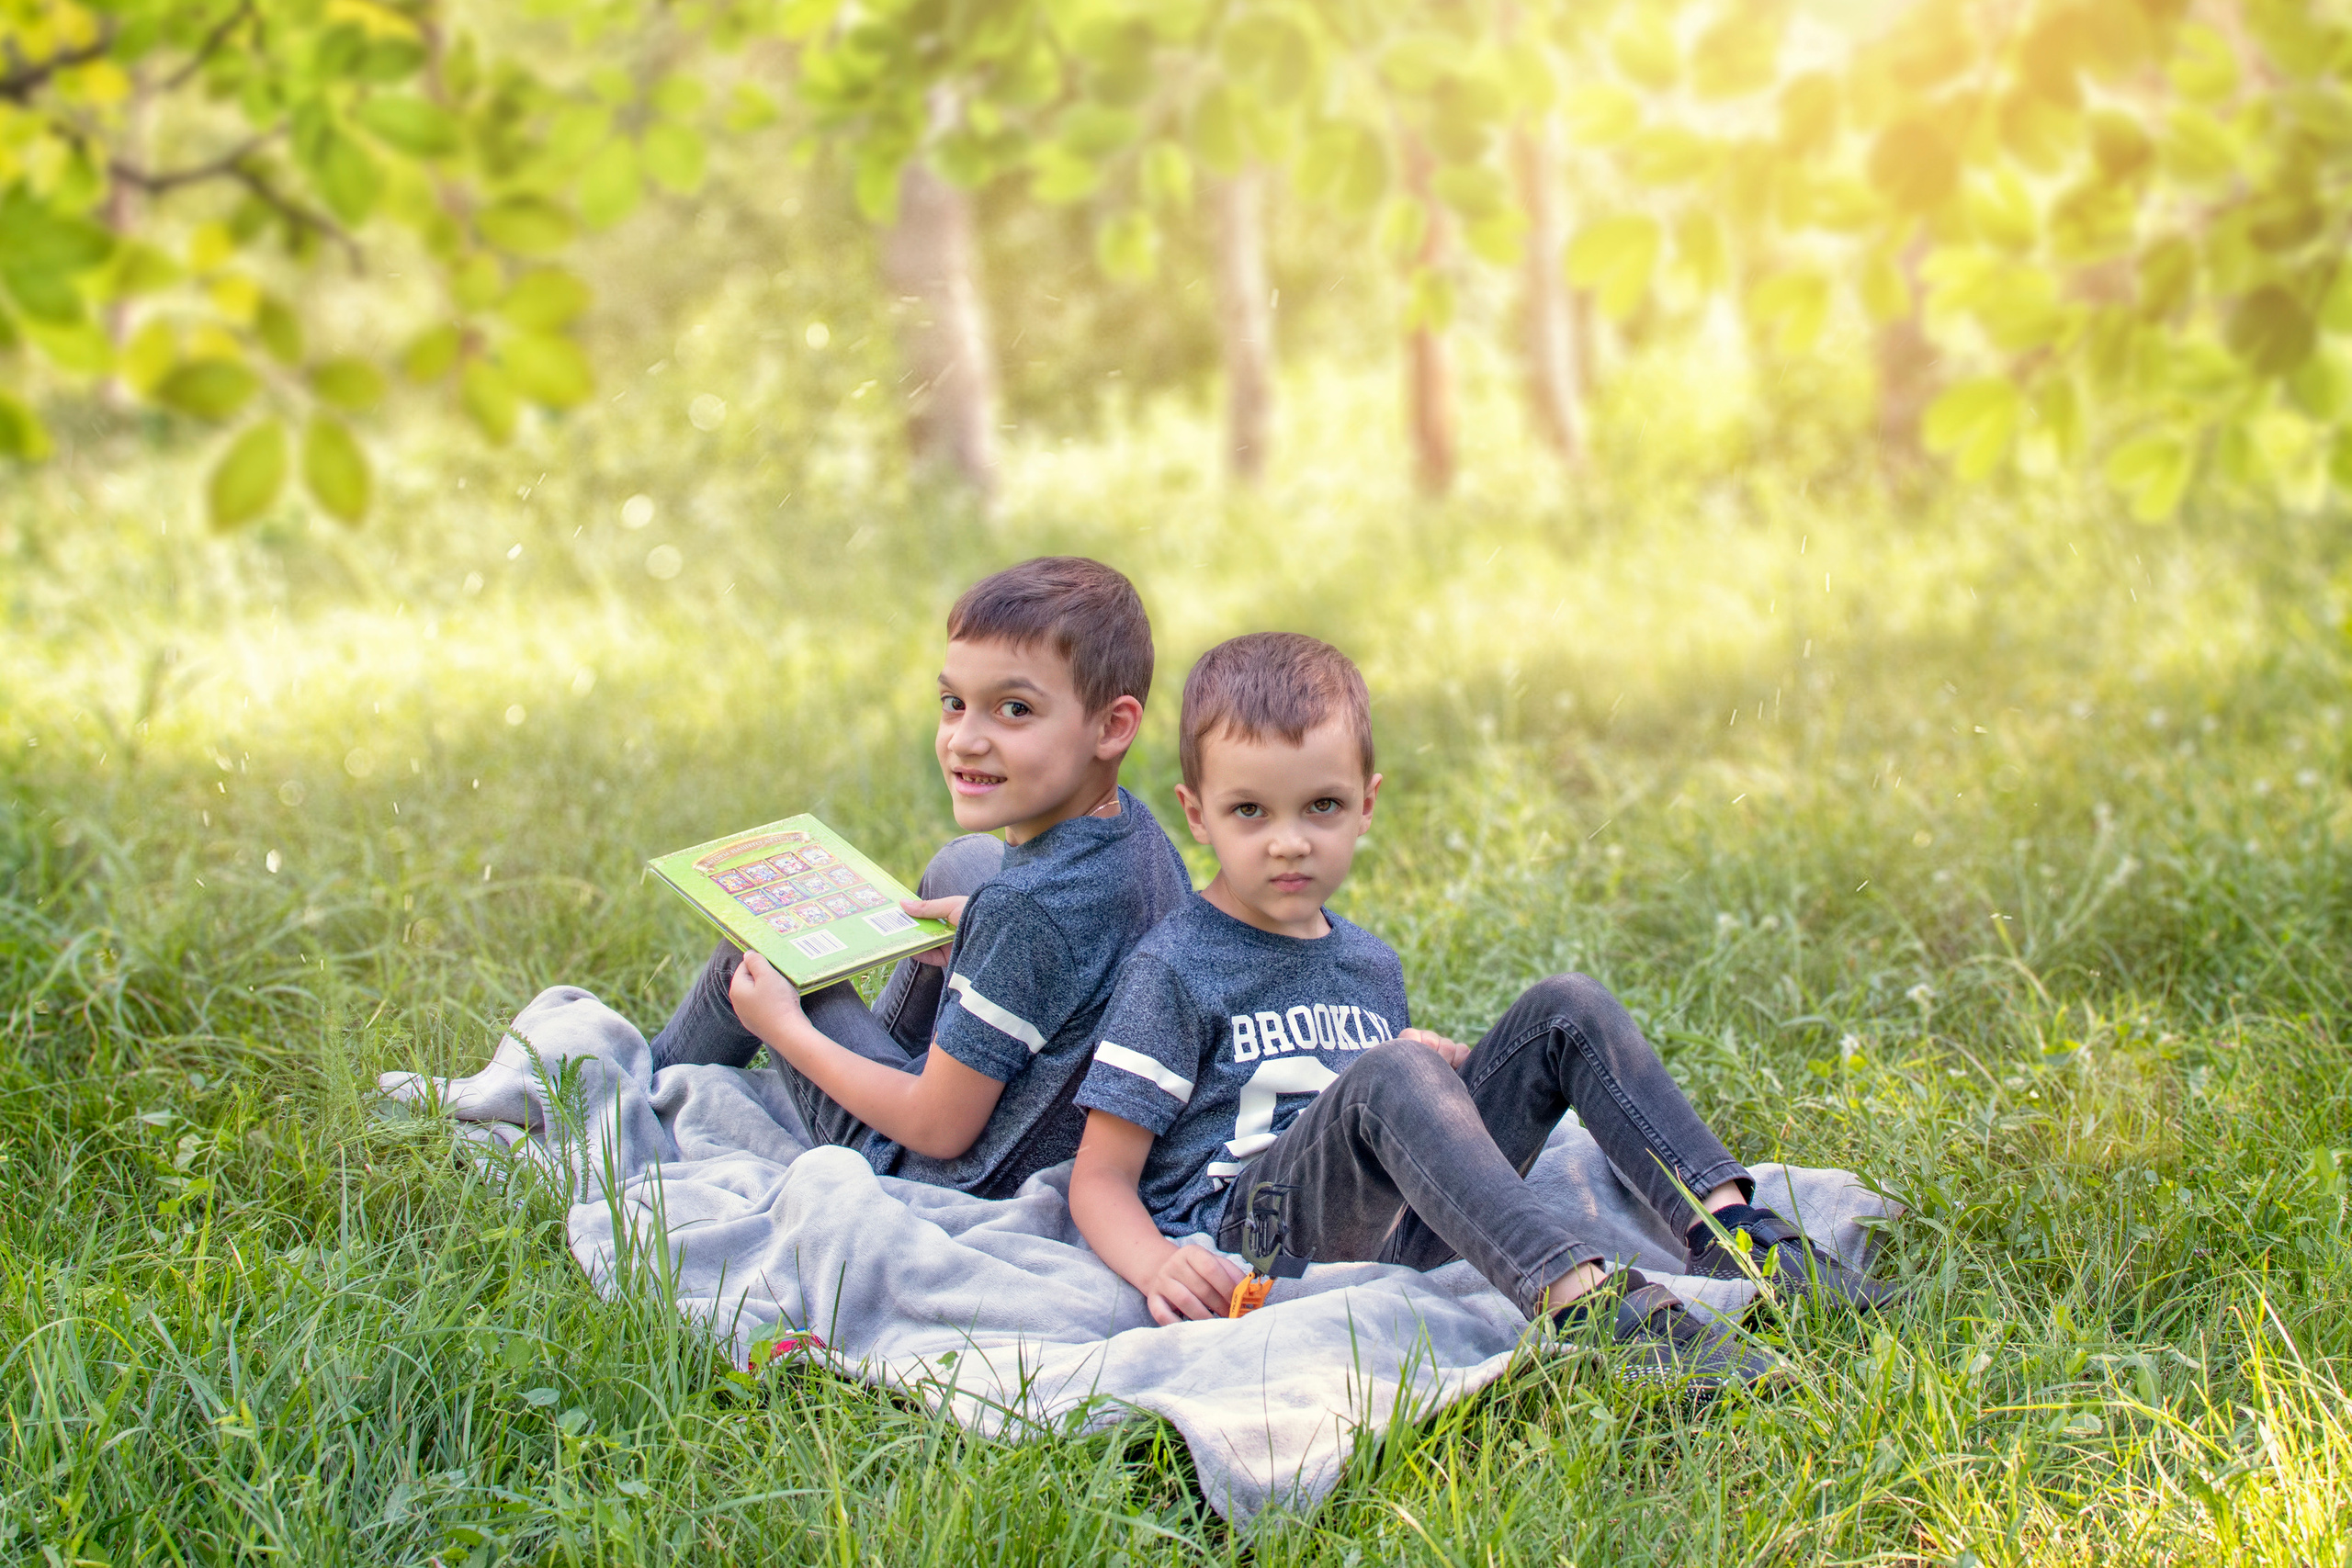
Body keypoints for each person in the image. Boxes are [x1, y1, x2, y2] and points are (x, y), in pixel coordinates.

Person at [1066, 632, 1897, 1390]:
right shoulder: (1174, 967)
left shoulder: (1367, 961)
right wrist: (1156, 1263)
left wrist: (1428, 1078)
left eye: (1322, 806)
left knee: (1566, 1005)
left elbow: (1356, 1098)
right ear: (1197, 813)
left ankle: (1738, 1236)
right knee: (1393, 1068)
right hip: (1253, 1233)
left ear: (1366, 803)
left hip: (1408, 1223)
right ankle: (1588, 1305)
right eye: (1251, 810)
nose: (1289, 841)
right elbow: (1098, 1176)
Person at [660, 557, 1193, 1199]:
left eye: (1014, 708)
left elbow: (936, 1130)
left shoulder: (1023, 915)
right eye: (954, 703)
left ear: (1112, 726)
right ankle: (877, 1053)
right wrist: (987, 934)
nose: (965, 739)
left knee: (755, 955)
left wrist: (783, 1029)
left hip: (943, 1170)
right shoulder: (1135, 833)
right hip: (1053, 1109)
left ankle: (646, 1088)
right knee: (965, 862)